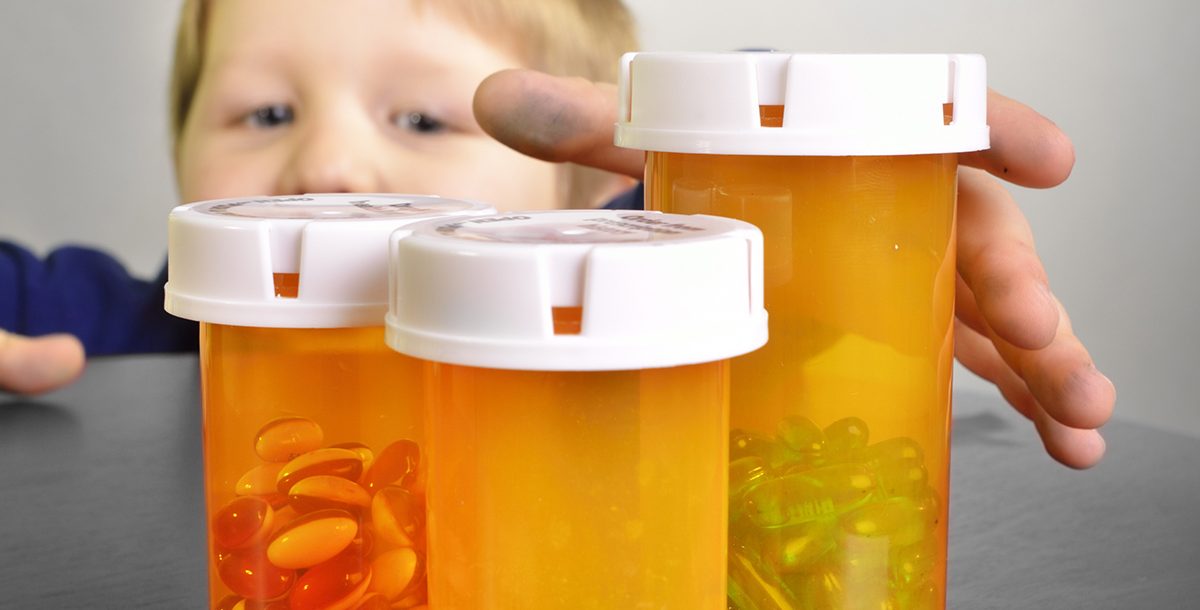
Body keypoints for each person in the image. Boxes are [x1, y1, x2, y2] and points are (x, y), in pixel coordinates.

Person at [0, 0, 1113, 470]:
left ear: (587, 203)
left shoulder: (643, 320)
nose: (330, 168)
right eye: (267, 113)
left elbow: (695, 222)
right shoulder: (111, 324)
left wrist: (829, 179)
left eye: (425, 118)